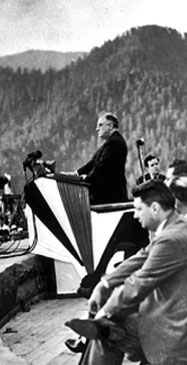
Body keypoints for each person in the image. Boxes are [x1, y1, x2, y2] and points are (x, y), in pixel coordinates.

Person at [66, 180, 187, 365]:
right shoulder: (175, 227)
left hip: (172, 327)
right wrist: (103, 284)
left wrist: (104, 312)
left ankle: (100, 329)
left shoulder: (171, 238)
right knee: (106, 328)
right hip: (166, 312)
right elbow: (141, 257)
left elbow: (139, 282)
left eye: (138, 209)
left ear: (154, 208)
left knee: (106, 327)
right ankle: (101, 330)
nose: (135, 215)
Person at [66, 112, 128, 205]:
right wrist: (76, 174)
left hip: (110, 197)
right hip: (108, 196)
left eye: (100, 125)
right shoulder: (112, 142)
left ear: (110, 125)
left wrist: (85, 180)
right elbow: (93, 162)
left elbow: (102, 168)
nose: (97, 129)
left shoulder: (114, 143)